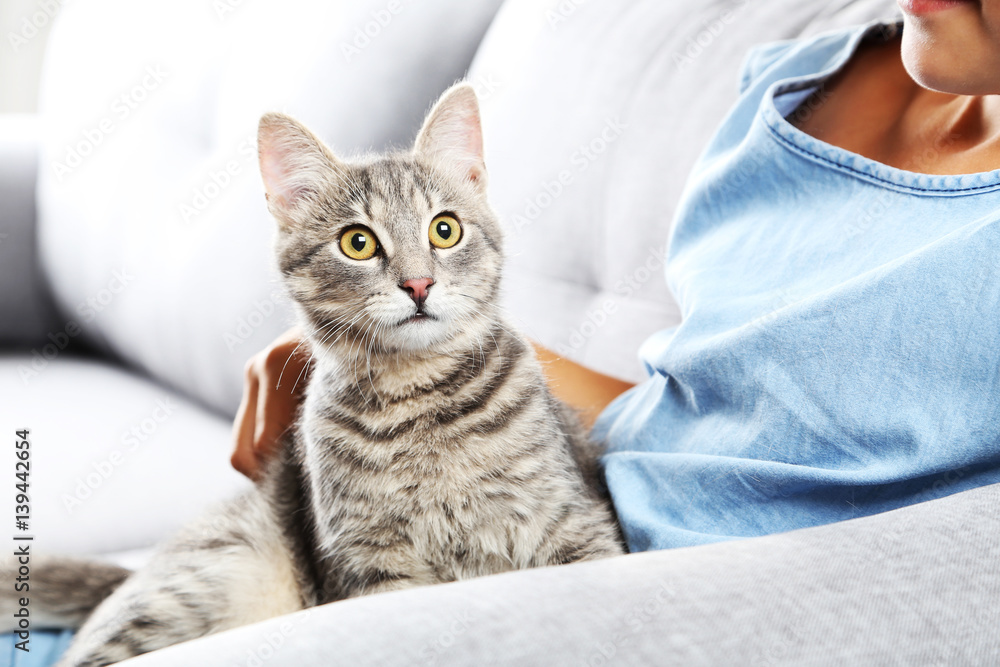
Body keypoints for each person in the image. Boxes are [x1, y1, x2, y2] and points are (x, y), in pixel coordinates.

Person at [232, 3, 1000, 554]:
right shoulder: (805, 82)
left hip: (631, 597)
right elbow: (700, 420)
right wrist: (431, 359)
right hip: (558, 504)